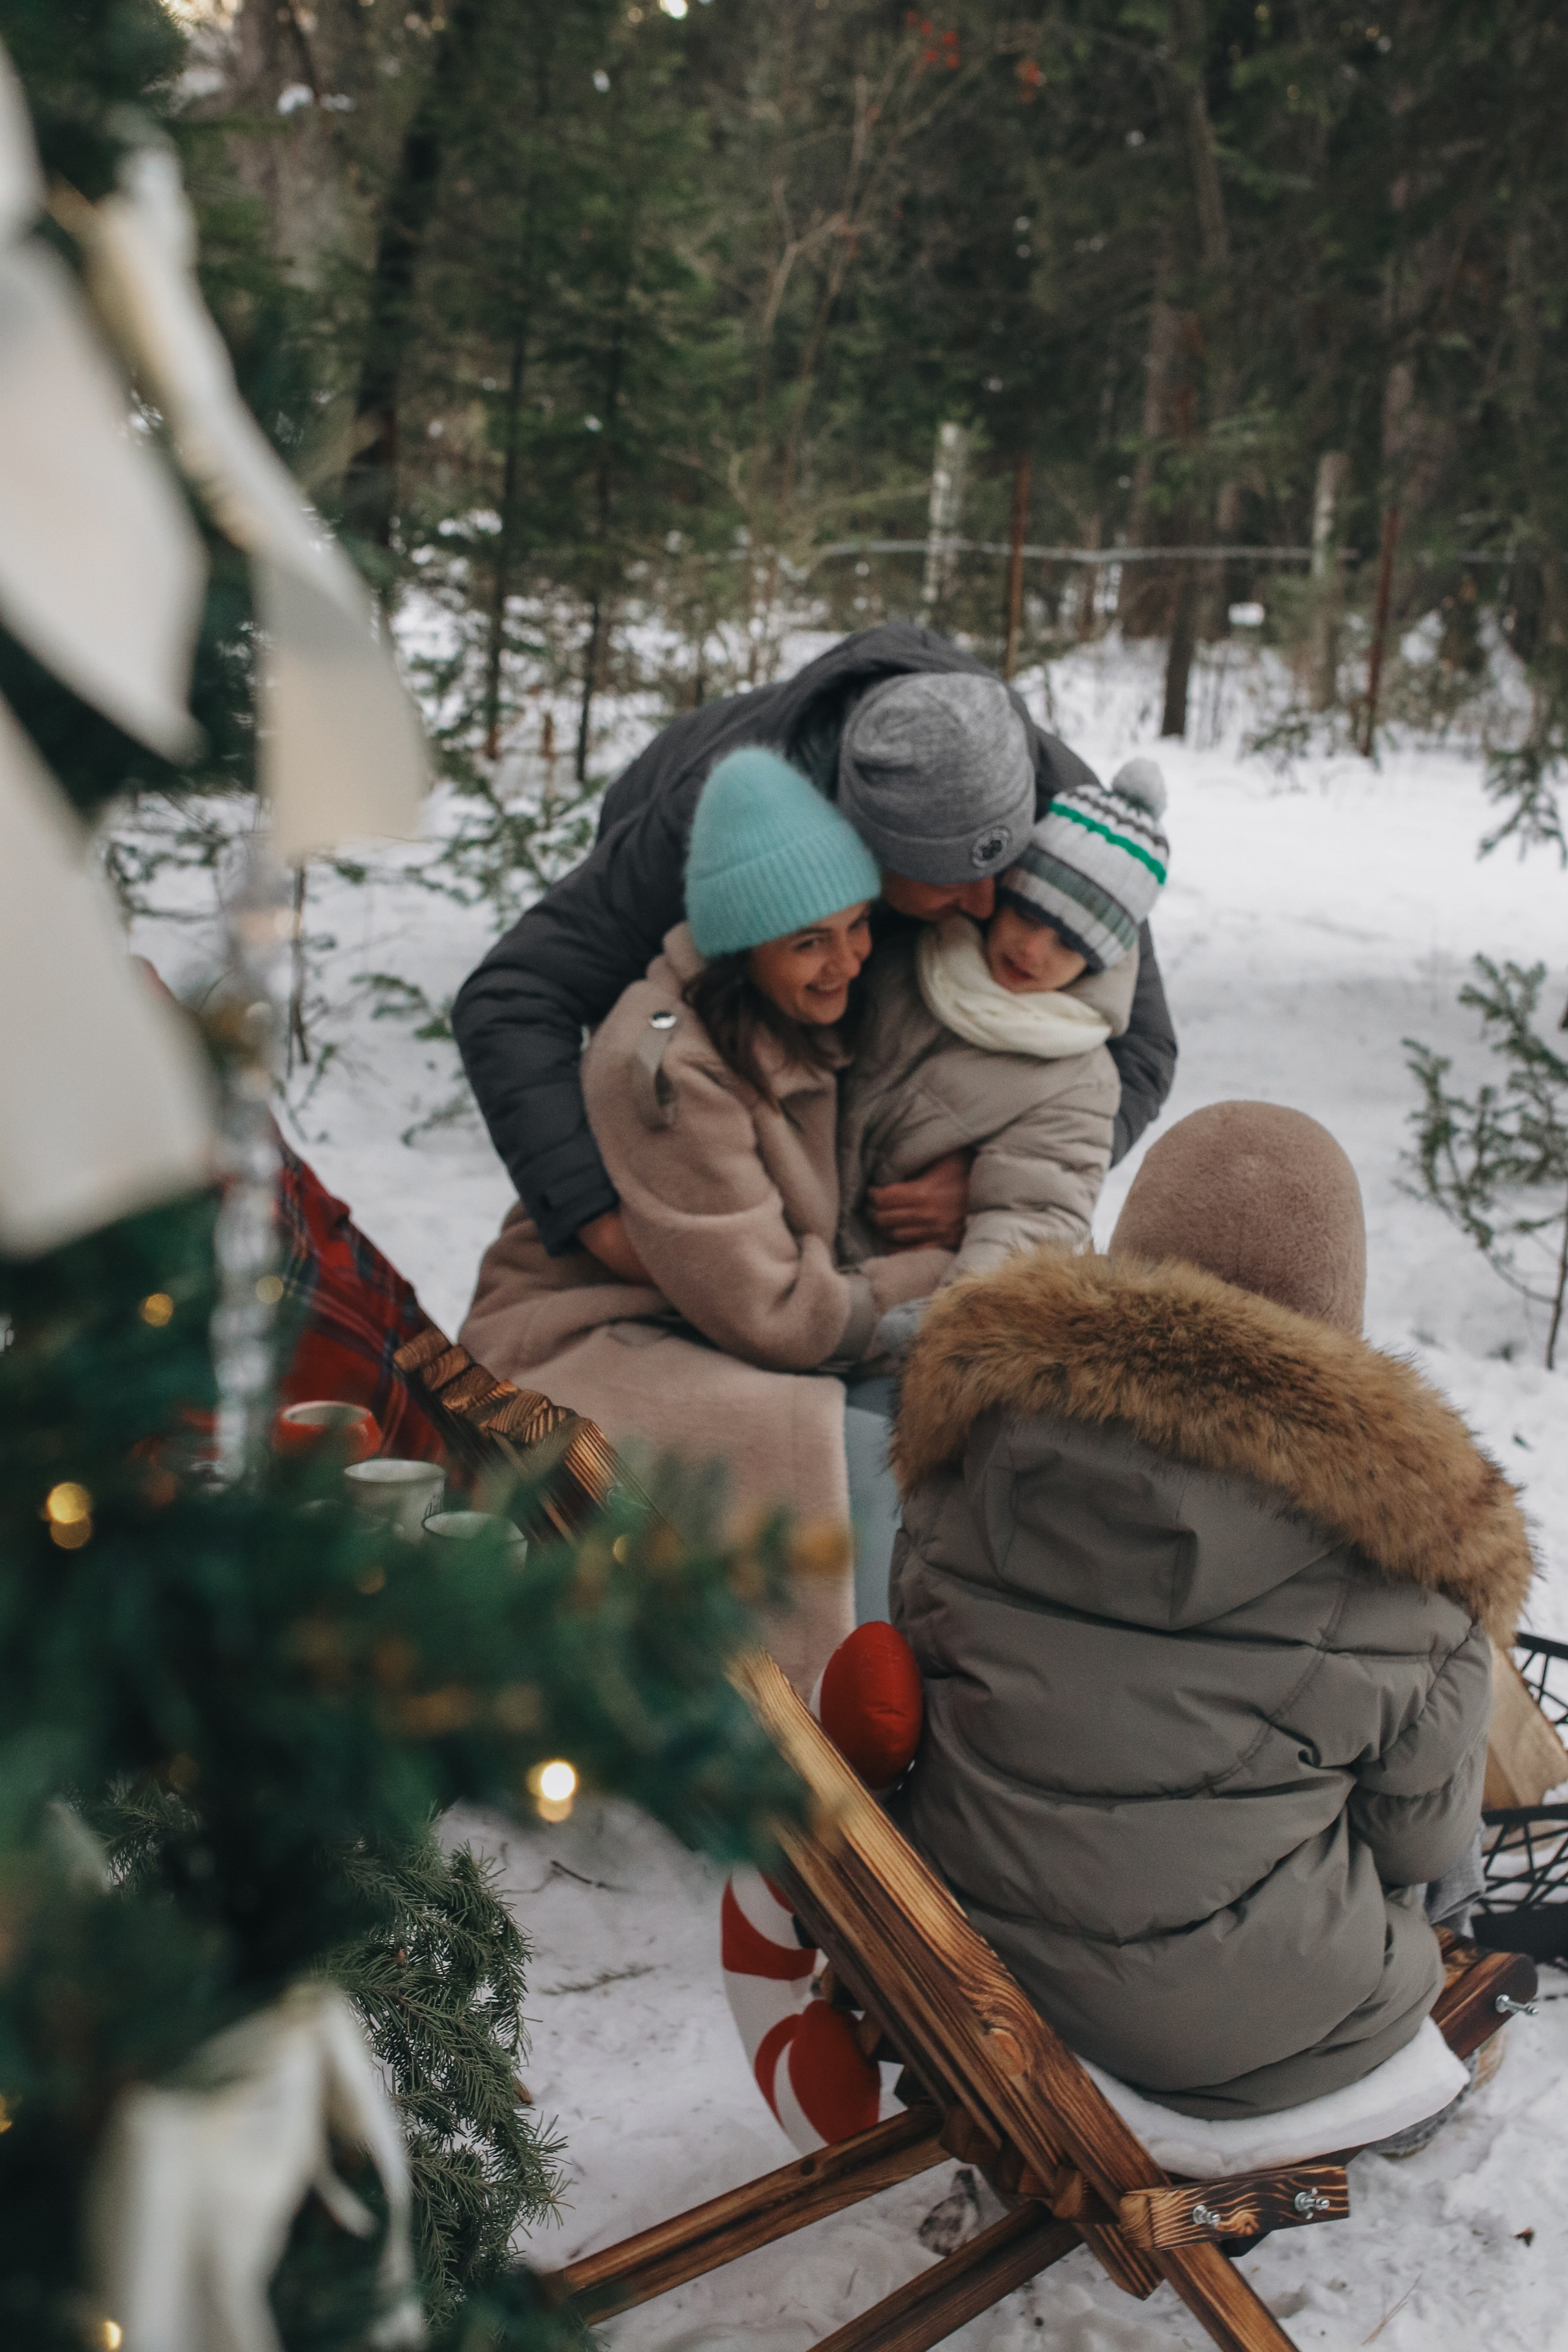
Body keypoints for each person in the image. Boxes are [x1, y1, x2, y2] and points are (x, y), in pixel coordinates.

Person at [886, 1102, 1528, 2118]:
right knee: (1406, 1907)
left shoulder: (965, 1474)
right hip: (1220, 2034)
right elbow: (1418, 1850)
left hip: (973, 1966)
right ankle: (1402, 2103)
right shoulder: (1404, 1582)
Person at [451, 624, 1177, 1277]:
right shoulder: (710, 824)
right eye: (952, 883)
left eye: (1008, 874)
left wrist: (989, 1178)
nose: (989, 907)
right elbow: (515, 997)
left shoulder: (1064, 811)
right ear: (863, 857)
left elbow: (1141, 1046)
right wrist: (598, 1220)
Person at [460, 748, 951, 1691]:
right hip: (584, 1336)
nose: (848, 959)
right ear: (741, 947)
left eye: (856, 928)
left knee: (925, 1416)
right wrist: (941, 1266)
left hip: (696, 1314)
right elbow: (772, 1314)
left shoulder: (793, 1011)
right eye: (811, 941)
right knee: (855, 1451)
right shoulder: (665, 1068)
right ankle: (834, 1724)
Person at [838, 758, 1170, 1290]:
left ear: (1098, 961)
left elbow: (1031, 1224)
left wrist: (941, 1328)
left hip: (899, 1300)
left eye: (1069, 943)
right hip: (792, 1254)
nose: (1033, 951)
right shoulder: (909, 964)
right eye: (1027, 915)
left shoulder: (1080, 1082)